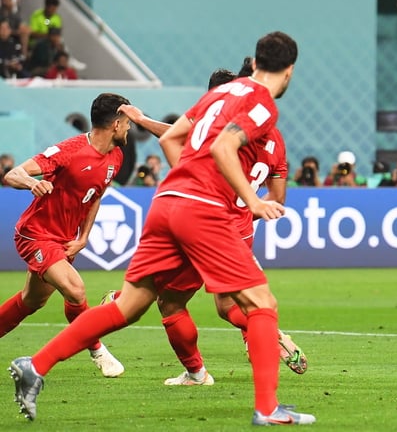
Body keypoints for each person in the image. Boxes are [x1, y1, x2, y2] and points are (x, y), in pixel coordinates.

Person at [9, 31, 316, 426]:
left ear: (255, 63)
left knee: (128, 306)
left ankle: (35, 365)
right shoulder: (260, 106)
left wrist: (188, 177)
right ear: (289, 71)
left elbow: (173, 138)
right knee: (261, 305)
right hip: (203, 211)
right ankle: (267, 409)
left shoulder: (219, 95)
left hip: (167, 202)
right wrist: (249, 200)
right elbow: (224, 150)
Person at [114, 61, 307, 385]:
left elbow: (178, 140)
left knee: (169, 300)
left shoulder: (220, 127)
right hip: (242, 227)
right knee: (227, 304)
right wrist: (254, 202)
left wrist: (143, 120)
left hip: (205, 220)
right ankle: (263, 334)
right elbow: (278, 195)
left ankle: (196, 372)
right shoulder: (273, 135)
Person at [0, 93, 130, 380]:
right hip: (36, 234)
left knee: (31, 301)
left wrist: (84, 237)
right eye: (128, 122)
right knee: (76, 290)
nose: (130, 128)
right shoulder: (69, 151)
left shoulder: (116, 156)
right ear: (116, 124)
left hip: (64, 239)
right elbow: (12, 174)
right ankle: (97, 349)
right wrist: (32, 183)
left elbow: (95, 196)